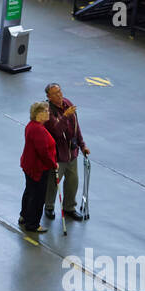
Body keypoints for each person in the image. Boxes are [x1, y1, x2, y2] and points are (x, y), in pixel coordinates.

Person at [42, 83, 89, 222]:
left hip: (72, 154)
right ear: (49, 97)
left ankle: (69, 208)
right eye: (55, 93)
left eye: (60, 91)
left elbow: (76, 128)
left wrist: (82, 145)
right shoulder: (48, 111)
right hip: (58, 155)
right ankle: (49, 206)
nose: (59, 95)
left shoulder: (68, 104)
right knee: (53, 182)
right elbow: (56, 131)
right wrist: (65, 116)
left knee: (72, 182)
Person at [19, 100, 57, 234]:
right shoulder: (39, 130)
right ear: (38, 115)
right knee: (38, 196)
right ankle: (33, 223)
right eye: (46, 111)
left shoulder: (31, 126)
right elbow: (43, 153)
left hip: (28, 165)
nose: (49, 113)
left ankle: (24, 216)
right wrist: (53, 164)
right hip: (38, 168)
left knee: (29, 192)